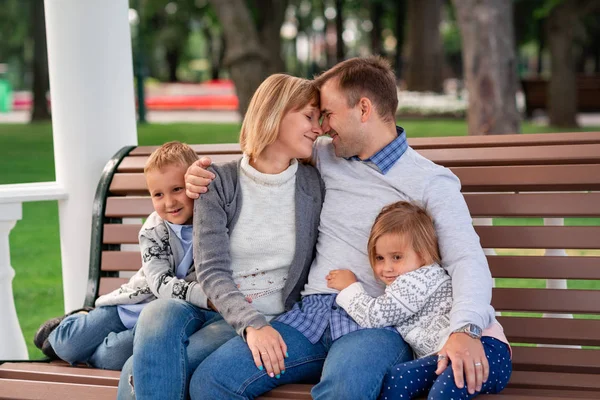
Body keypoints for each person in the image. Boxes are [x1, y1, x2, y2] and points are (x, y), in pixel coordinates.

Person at [185, 56, 506, 399]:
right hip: (309, 318)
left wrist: (466, 329)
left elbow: (466, 259)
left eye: (329, 114)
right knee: (213, 380)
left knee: (343, 390)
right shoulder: (324, 155)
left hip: (374, 324)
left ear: (364, 109)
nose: (322, 127)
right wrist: (197, 177)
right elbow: (269, 148)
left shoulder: (430, 181)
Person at [116, 74, 324, 399]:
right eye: (309, 116)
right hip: (215, 307)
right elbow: (211, 271)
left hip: (269, 315)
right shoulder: (218, 182)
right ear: (275, 113)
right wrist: (249, 322)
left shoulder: (313, 184)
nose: (318, 127)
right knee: (158, 313)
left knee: (137, 371)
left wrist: (256, 323)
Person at [33, 141, 208, 370]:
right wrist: (205, 297)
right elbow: (159, 283)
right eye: (158, 194)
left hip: (161, 320)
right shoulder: (153, 230)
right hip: (131, 305)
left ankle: (91, 348)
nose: (169, 202)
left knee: (110, 358)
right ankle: (71, 324)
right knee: (67, 346)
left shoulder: (210, 225)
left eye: (177, 189)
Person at [327, 201, 512, 399]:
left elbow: (374, 316)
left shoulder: (418, 280)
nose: (386, 267)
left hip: (484, 351)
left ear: (422, 255)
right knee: (397, 379)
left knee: (443, 392)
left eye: (396, 257)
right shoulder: (401, 284)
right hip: (443, 359)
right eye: (380, 258)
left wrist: (349, 288)